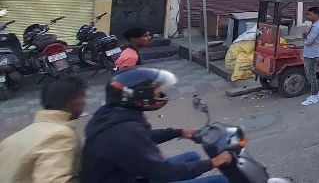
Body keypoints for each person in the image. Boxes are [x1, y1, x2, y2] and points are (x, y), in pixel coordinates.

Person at [80, 67, 233, 183]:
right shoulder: (125, 131)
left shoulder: (111, 115)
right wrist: (213, 162)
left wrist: (179, 132)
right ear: (139, 95)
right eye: (156, 91)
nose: (160, 94)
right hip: (136, 178)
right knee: (222, 181)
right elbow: (163, 172)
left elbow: (141, 137)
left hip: (127, 175)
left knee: (192, 156)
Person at [0, 76, 87, 183]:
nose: (84, 102)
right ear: (71, 101)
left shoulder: (25, 132)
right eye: (82, 97)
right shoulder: (59, 135)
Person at [301, 7, 319, 106]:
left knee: (311, 76)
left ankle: (314, 96)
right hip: (309, 53)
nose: (308, 16)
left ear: (316, 15)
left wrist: (304, 40)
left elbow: (309, 41)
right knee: (309, 74)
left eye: (310, 14)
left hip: (312, 54)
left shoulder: (317, 27)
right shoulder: (313, 25)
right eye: (308, 14)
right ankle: (317, 94)